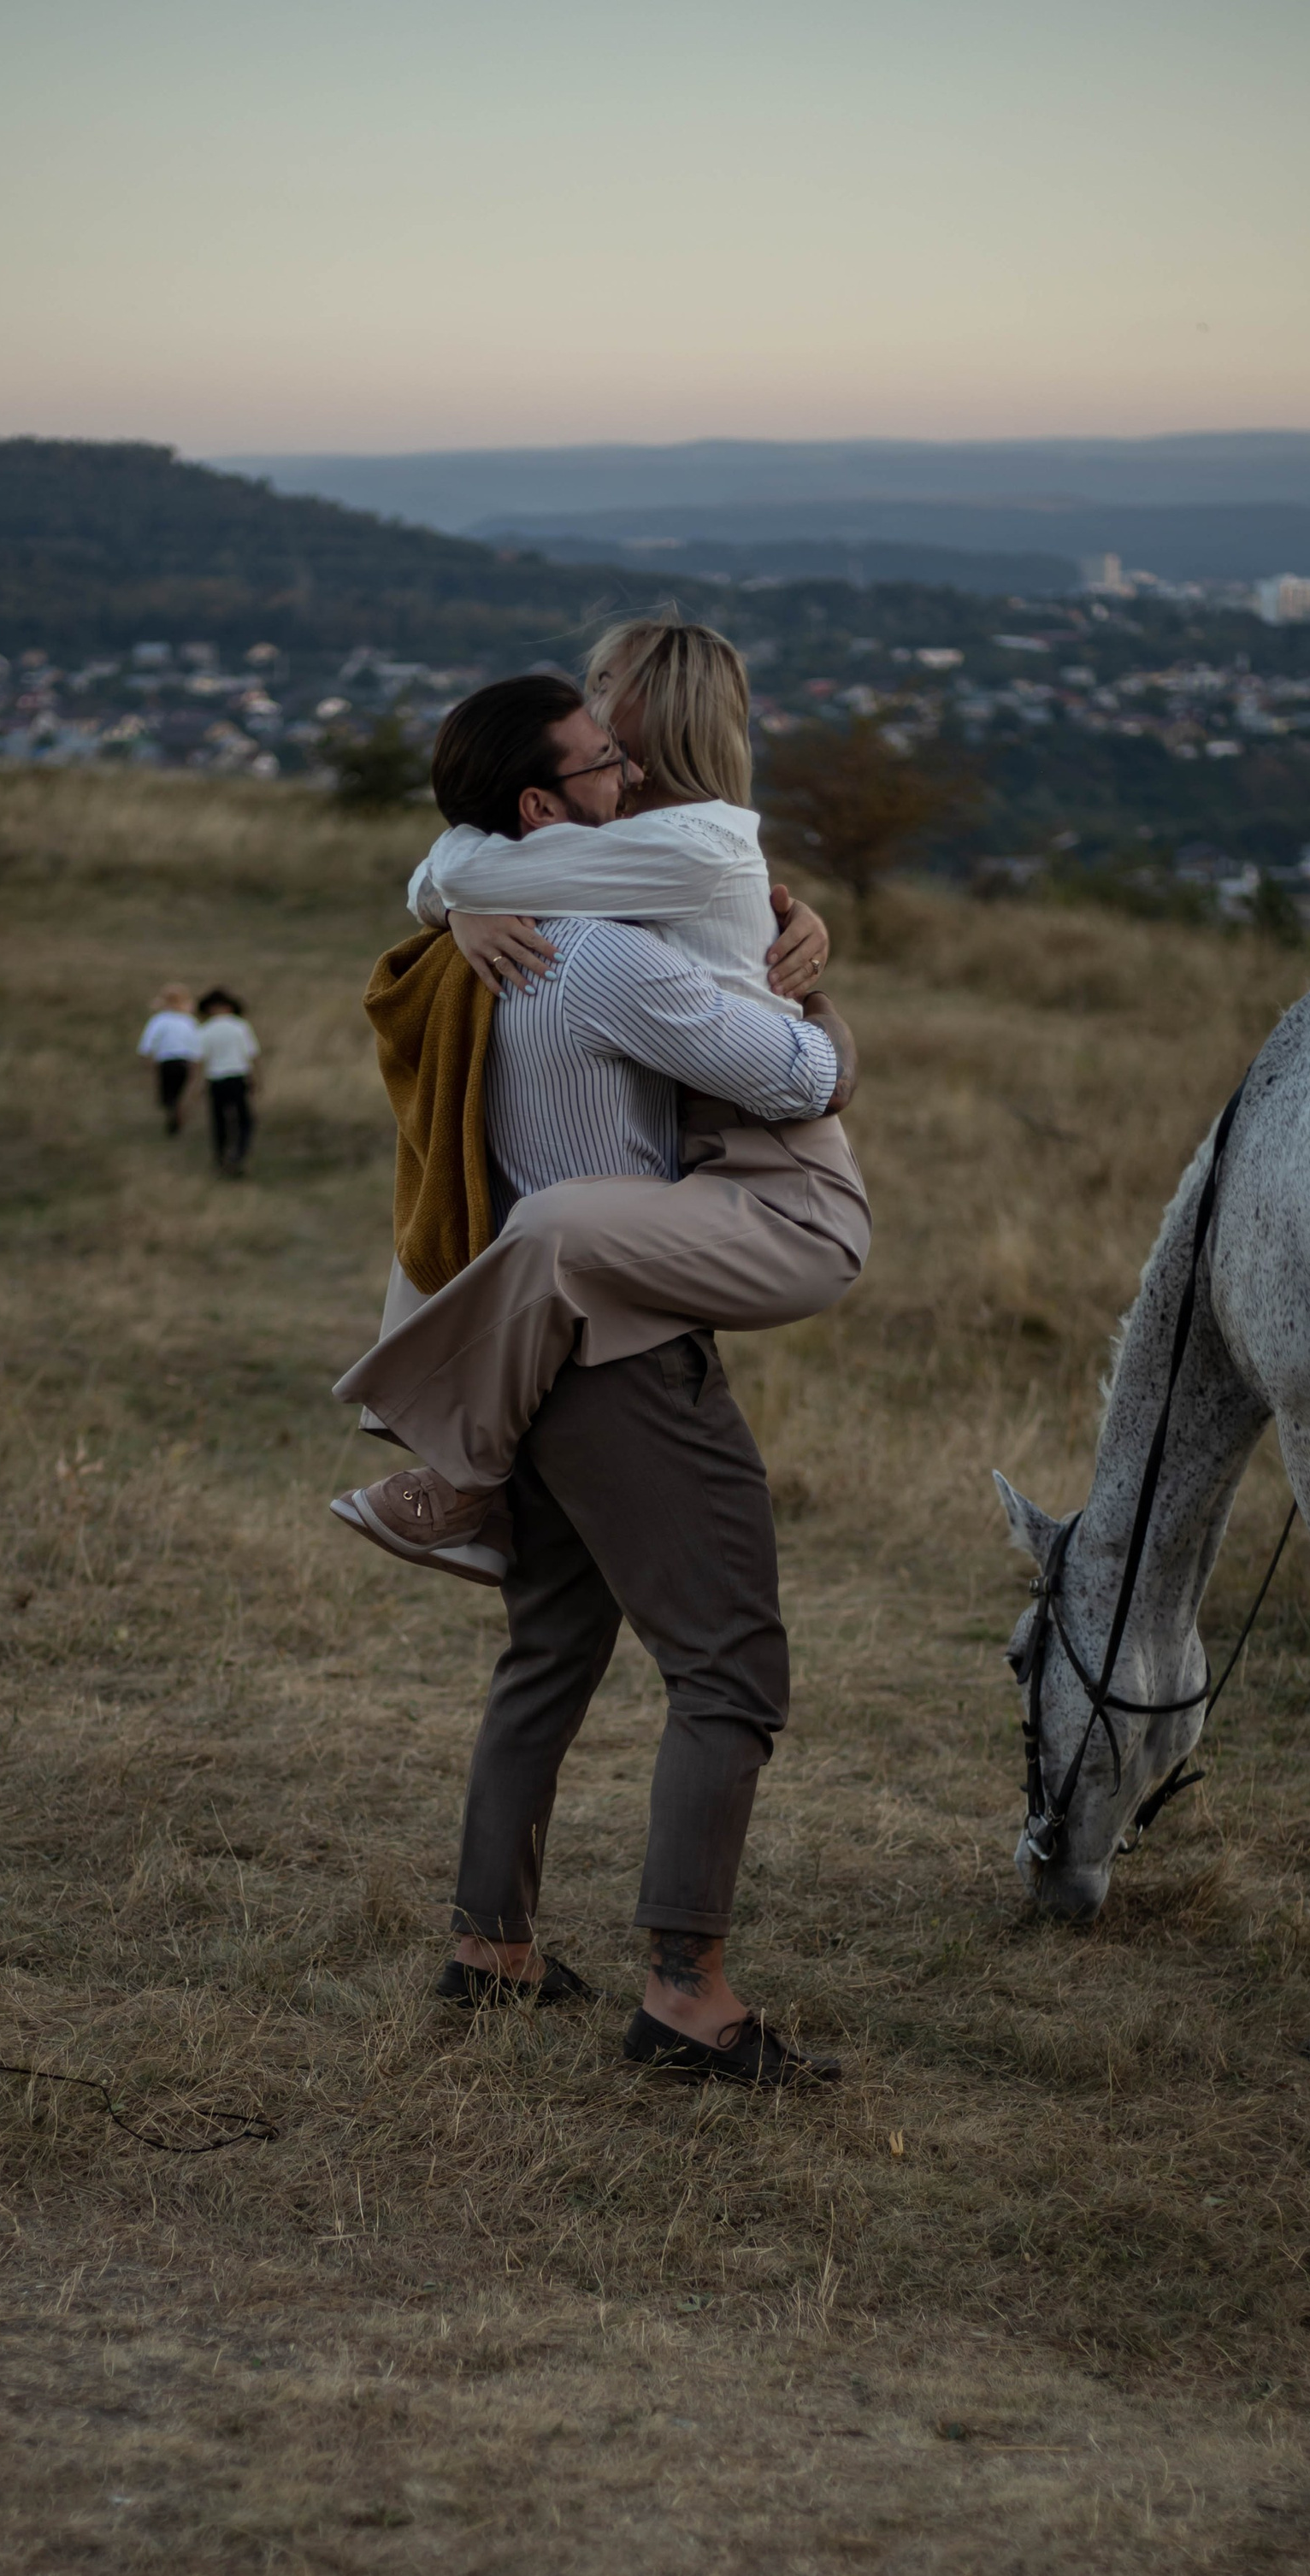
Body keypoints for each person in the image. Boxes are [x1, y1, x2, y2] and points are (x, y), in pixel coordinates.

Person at [339, 672, 850, 2086]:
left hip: (534, 1347)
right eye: (603, 765)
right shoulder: (606, 959)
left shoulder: (463, 951)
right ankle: (689, 1995)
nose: (630, 781)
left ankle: (490, 1941)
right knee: (730, 1661)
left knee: (552, 1644)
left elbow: (438, 889)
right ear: (538, 805)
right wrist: (813, 988)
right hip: (621, 1349)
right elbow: (798, 1085)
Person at [330, 623, 867, 1582]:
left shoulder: (685, 848)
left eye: (606, 685)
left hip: (771, 1160)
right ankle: (467, 1484)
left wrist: (821, 1009)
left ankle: (458, 1478)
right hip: (704, 1155)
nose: (589, 697)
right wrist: (459, 901)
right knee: (514, 1214)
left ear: (649, 719)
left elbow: (456, 864)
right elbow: (453, 866)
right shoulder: (631, 844)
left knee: (550, 1224)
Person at [195, 986, 261, 1176]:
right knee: (244, 1120)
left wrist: (198, 1086)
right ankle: (238, 1154)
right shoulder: (240, 1026)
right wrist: (256, 1077)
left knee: (219, 1120)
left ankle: (221, 1156)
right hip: (237, 1077)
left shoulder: (204, 1030)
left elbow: (200, 1061)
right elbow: (251, 1054)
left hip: (215, 1079)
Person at [138, 985, 200, 1135]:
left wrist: (147, 1059)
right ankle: (177, 1116)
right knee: (180, 1091)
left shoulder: (159, 1020)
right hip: (184, 1061)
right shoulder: (189, 1021)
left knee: (168, 1092)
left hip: (166, 1061)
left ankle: (173, 1117)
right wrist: (196, 1063)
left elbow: (147, 1043)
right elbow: (196, 1044)